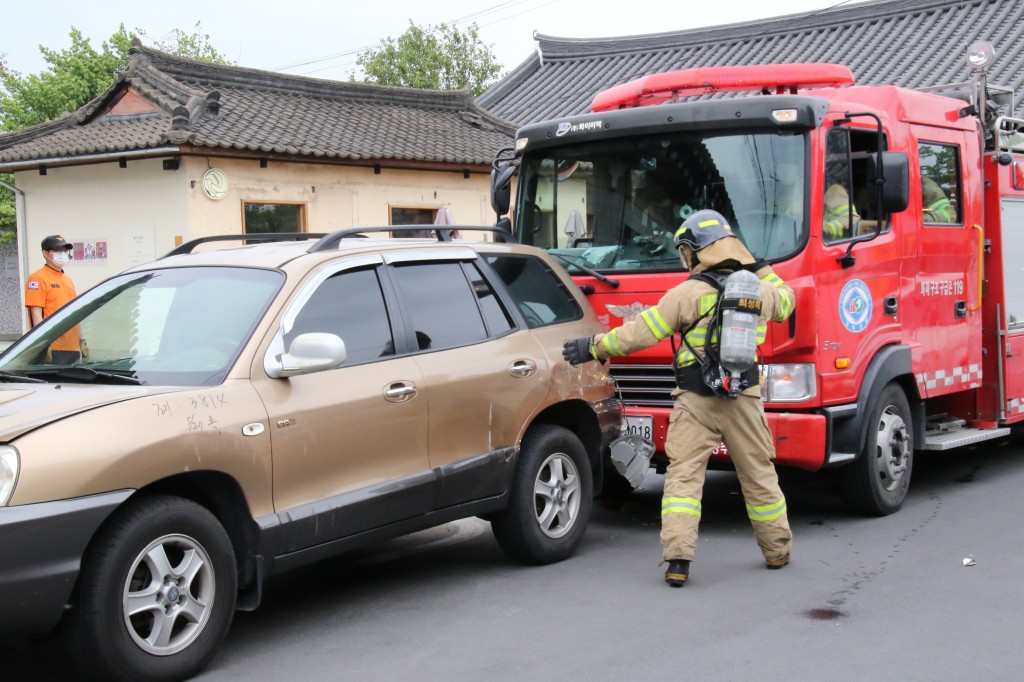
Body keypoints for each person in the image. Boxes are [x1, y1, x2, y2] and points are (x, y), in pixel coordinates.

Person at [562, 210, 795, 587]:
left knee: (683, 480)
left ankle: (678, 561)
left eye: (686, 251)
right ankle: (777, 551)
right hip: (745, 399)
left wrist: (595, 346)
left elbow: (641, 332)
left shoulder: (687, 293)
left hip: (695, 399)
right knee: (759, 476)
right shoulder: (757, 290)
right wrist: (761, 268)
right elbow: (787, 302)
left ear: (697, 252)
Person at [25, 234, 86, 364]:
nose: (63, 254)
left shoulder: (67, 279)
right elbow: (36, 315)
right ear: (45, 253)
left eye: (65, 251)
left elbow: (75, 311)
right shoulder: (37, 278)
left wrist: (82, 339)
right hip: (54, 346)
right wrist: (43, 344)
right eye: (58, 251)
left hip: (72, 346)